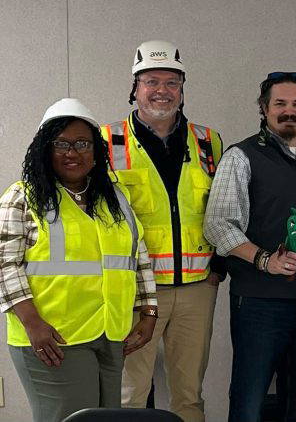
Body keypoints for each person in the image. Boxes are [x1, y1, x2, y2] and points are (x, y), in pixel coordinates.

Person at [1, 99, 157, 422]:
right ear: (45, 149)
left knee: (106, 419)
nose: (72, 152)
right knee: (70, 418)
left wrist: (149, 311)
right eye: (61, 144)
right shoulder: (23, 197)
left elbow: (137, 255)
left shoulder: (115, 199)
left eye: (83, 144)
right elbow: (4, 264)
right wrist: (32, 323)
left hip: (110, 334)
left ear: (96, 151)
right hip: (53, 338)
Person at [204, 72, 296, 422]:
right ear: (264, 109)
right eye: (279, 103)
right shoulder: (241, 156)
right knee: (248, 406)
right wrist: (264, 260)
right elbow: (218, 225)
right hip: (258, 305)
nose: (289, 111)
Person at [104, 40, 224, 422]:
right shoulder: (107, 141)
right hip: (136, 292)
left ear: (182, 88)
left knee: (189, 396)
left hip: (196, 289)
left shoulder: (208, 142)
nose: (162, 90)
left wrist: (219, 268)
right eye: (151, 81)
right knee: (130, 395)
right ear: (135, 87)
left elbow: (223, 210)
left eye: (172, 82)